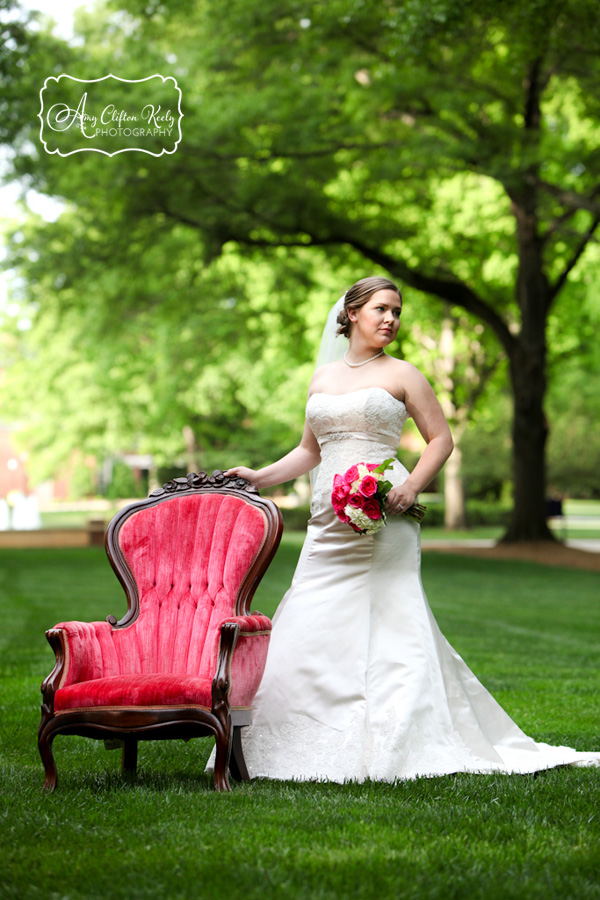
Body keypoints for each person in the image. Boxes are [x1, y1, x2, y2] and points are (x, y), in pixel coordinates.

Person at [217, 276, 600, 782]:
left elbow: (440, 440)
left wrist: (413, 485)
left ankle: (394, 734)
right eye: (380, 309)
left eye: (396, 311)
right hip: (327, 520)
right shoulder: (322, 378)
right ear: (352, 312)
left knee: (392, 617)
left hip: (385, 513)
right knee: (310, 609)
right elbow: (311, 451)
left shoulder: (405, 374)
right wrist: (259, 475)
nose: (391, 319)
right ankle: (288, 735)